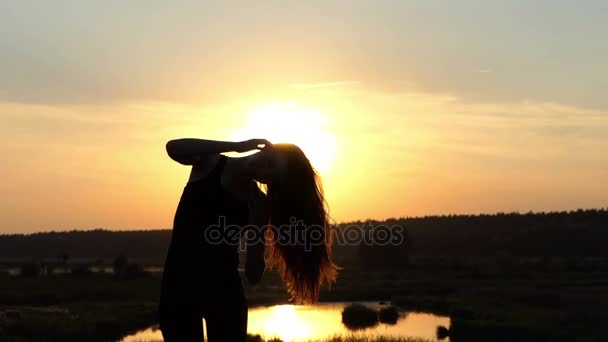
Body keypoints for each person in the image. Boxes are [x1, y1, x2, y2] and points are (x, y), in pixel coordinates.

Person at [159, 138, 338, 342]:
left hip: (224, 294)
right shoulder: (212, 163)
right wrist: (237, 146)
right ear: (269, 148)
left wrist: (256, 230)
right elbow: (174, 148)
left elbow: (253, 275)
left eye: (269, 177)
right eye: (270, 163)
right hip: (178, 288)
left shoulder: (258, 203)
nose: (263, 172)